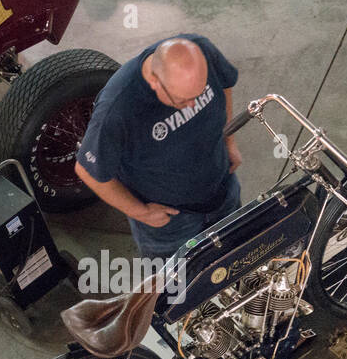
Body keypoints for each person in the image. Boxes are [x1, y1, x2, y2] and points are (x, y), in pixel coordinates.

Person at [74, 34, 243, 259]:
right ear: (154, 80)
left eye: (199, 93)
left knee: (238, 258)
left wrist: (228, 139)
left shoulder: (200, 49)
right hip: (172, 224)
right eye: (182, 100)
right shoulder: (118, 108)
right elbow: (87, 170)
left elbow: (224, 84)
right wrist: (141, 212)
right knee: (178, 288)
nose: (192, 105)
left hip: (224, 191)